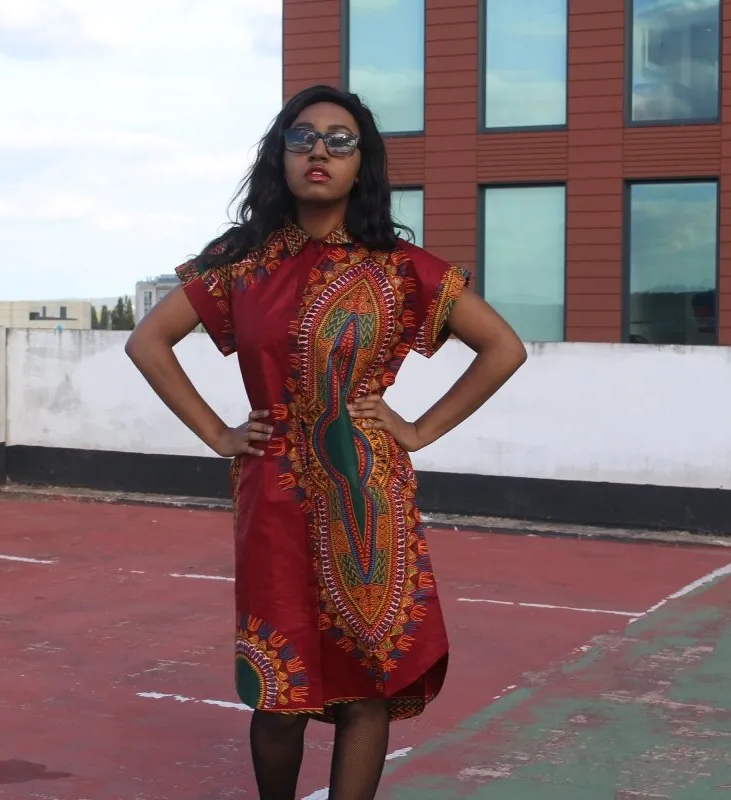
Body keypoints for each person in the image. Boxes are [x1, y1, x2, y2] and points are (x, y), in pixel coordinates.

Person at [124, 84, 528, 799]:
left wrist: (418, 429)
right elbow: (148, 341)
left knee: (363, 689)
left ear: (362, 163)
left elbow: (502, 348)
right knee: (277, 696)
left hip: (368, 497)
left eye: (340, 141)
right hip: (272, 493)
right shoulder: (240, 261)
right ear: (279, 155)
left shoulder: (401, 267)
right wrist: (218, 432)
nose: (319, 151)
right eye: (302, 136)